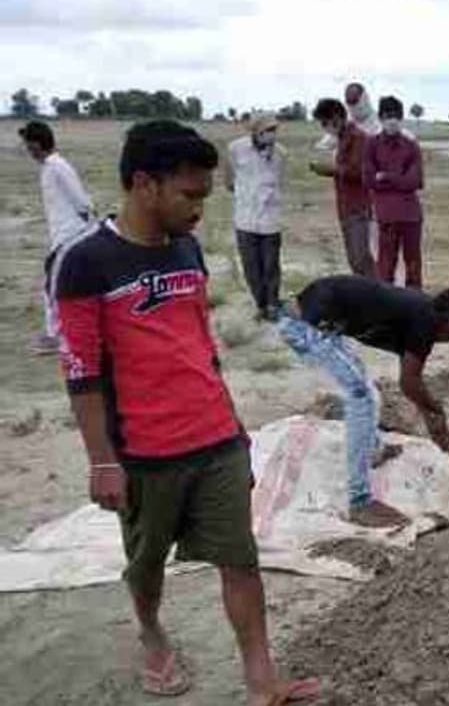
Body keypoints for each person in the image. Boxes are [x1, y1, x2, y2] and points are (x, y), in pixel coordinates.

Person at [52, 120, 318, 705]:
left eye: (204, 194)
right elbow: (81, 371)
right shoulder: (85, 264)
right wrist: (102, 462)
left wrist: (237, 428)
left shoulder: (188, 248)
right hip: (144, 454)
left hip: (215, 439)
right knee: (146, 565)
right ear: (145, 184)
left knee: (239, 559)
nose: (200, 208)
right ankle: (152, 635)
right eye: (189, 194)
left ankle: (260, 682)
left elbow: (202, 345)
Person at [276, 276, 449, 526]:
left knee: (365, 390)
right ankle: (360, 501)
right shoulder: (426, 321)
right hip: (303, 327)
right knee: (361, 397)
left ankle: (373, 449)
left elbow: (412, 381)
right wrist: (435, 409)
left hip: (320, 323)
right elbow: (410, 383)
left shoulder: (421, 314)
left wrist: (433, 419)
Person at [19, 120, 93, 354]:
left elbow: (81, 200)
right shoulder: (50, 167)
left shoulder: (56, 166)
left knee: (51, 285)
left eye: (28, 145)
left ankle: (55, 336)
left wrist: (86, 227)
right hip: (64, 235)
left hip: (69, 236)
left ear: (37, 144)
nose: (28, 151)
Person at [225, 113, 287, 321]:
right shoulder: (236, 149)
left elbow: (278, 180)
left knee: (271, 265)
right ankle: (260, 304)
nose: (271, 134)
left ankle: (272, 304)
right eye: (267, 130)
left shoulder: (280, 153)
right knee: (251, 266)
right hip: (245, 218)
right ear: (256, 131)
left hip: (270, 219)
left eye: (274, 130)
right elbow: (229, 181)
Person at [310, 99, 377, 277]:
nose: (324, 127)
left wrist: (330, 170)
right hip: (346, 207)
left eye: (325, 122)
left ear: (337, 117)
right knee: (354, 259)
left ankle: (377, 297)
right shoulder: (342, 138)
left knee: (360, 258)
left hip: (358, 207)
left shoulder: (358, 138)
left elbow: (358, 172)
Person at [364, 96, 425, 288]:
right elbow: (368, 179)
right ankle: (386, 308)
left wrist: (386, 177)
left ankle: (415, 304)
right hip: (387, 216)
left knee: (413, 264)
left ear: (402, 118)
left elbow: (417, 181)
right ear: (381, 118)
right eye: (389, 116)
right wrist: (399, 178)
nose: (393, 120)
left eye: (397, 116)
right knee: (386, 265)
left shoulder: (410, 145)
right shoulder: (372, 145)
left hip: (411, 216)